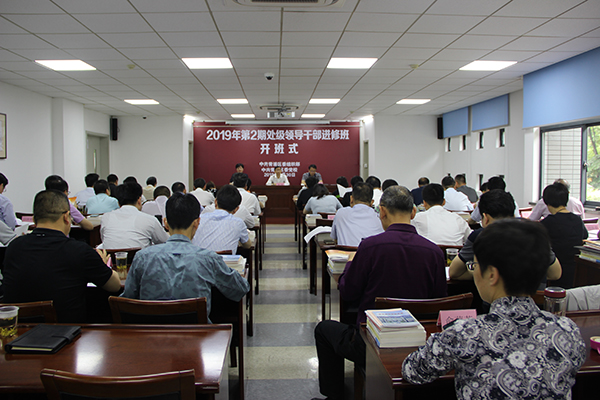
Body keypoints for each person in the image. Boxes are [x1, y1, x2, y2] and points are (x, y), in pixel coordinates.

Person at [402, 219, 586, 400]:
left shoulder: (465, 333)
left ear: (492, 274)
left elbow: (412, 371)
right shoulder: (568, 331)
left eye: (475, 266)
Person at [313, 186, 447, 400]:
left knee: (324, 329)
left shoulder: (370, 247)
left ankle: (334, 396)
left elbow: (348, 292)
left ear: (382, 211)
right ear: (413, 212)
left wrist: (351, 264)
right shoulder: (434, 252)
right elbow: (440, 301)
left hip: (371, 343)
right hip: (419, 344)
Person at [121, 192, 249, 316]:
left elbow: (127, 299)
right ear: (197, 223)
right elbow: (241, 288)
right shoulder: (209, 259)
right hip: (197, 329)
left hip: (151, 328)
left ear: (165, 223)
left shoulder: (142, 257)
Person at [2, 190, 121, 322]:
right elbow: (114, 286)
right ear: (66, 217)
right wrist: (103, 265)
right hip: (67, 331)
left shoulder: (14, 247)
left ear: (34, 220)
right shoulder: (79, 251)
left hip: (19, 329)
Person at [448, 189, 561, 285]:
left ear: (485, 218)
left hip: (494, 301)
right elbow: (555, 273)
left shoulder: (480, 236)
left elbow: (454, 272)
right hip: (536, 300)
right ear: (513, 214)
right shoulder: (535, 232)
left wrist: (481, 273)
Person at [540, 182, 588, 289]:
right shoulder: (577, 220)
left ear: (546, 201)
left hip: (554, 273)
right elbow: (585, 236)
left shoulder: (547, 222)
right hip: (574, 272)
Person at [100, 182, 169, 249]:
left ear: (118, 203)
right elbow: (165, 241)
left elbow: (104, 239)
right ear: (139, 200)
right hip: (140, 256)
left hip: (110, 256)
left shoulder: (106, 217)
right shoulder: (150, 219)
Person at [193, 184, 251, 254]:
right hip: (225, 261)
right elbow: (248, 245)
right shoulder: (238, 223)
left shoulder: (199, 219)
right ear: (236, 209)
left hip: (199, 260)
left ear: (215, 202)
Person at [331, 182, 383, 247]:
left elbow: (335, 239)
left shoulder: (341, 213)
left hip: (346, 253)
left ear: (351, 199)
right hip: (371, 253)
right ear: (372, 202)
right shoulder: (379, 217)